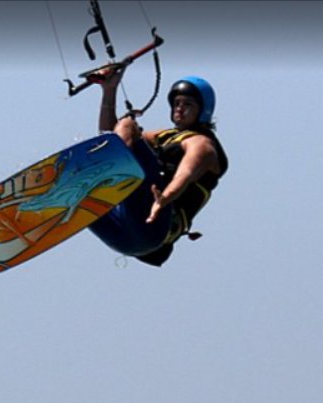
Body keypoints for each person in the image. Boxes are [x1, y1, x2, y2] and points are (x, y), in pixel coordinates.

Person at [88, 68, 228, 266]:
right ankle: (67, 197)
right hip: (127, 239)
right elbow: (110, 138)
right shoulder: (165, 136)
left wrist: (165, 198)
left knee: (127, 125)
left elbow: (184, 175)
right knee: (83, 196)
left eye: (188, 104)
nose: (179, 108)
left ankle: (106, 176)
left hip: (156, 224)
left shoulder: (202, 145)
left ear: (203, 111)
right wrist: (109, 90)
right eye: (177, 103)